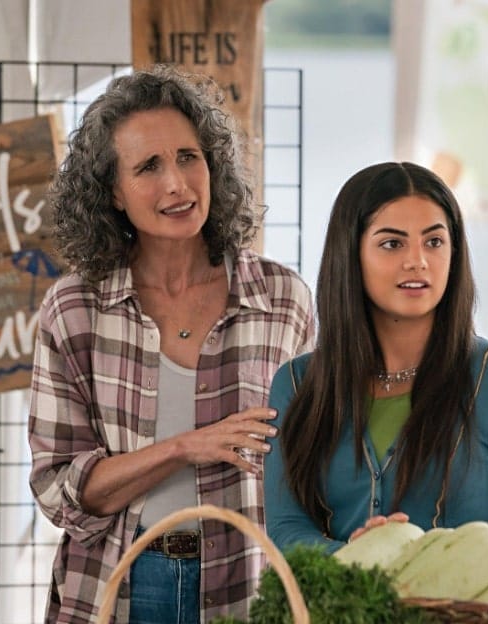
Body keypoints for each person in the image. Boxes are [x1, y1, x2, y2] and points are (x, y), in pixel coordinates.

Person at [28, 65, 315, 624]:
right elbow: (59, 487)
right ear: (112, 192)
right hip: (116, 584)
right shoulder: (75, 310)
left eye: (188, 157)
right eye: (148, 167)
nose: (177, 184)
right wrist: (186, 446)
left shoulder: (284, 299)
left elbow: (310, 466)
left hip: (246, 585)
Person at [264, 161, 488, 553]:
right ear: (350, 255)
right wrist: (361, 561)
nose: (418, 261)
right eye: (392, 243)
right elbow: (287, 529)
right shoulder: (296, 384)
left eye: (434, 242)